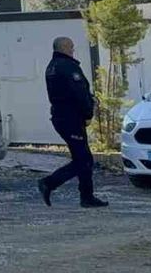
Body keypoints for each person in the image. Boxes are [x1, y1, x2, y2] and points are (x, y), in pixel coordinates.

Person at [37, 36, 108, 208]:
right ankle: (49, 183)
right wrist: (88, 112)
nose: (73, 50)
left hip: (61, 117)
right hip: (71, 118)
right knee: (83, 160)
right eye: (71, 47)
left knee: (83, 158)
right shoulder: (68, 66)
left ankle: (87, 197)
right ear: (64, 47)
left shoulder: (52, 67)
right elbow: (79, 92)